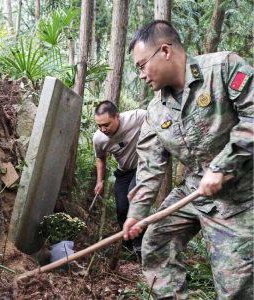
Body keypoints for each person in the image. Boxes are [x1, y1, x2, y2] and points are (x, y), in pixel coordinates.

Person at [122, 20, 253, 299]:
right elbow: (149, 170)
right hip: (194, 192)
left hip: (240, 197)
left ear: (165, 51)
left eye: (142, 65)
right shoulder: (156, 112)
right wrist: (136, 214)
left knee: (235, 287)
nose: (142, 75)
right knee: (156, 241)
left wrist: (222, 166)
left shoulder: (223, 68)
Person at [93, 100, 146, 251]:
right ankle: (127, 243)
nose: (103, 129)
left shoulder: (137, 117)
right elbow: (100, 158)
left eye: (106, 124)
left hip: (142, 167)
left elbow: (159, 119)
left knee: (133, 197)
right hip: (123, 171)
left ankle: (140, 244)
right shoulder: (99, 138)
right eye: (99, 125)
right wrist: (99, 181)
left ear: (117, 117)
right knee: (122, 207)